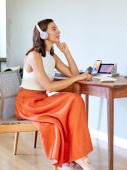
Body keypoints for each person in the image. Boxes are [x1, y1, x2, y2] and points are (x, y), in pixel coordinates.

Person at [15, 19, 95, 170]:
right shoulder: (33, 56)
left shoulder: (52, 57)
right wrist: (78, 77)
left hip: (42, 100)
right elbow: (49, 86)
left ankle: (79, 157)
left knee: (75, 100)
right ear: (44, 33)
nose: (58, 31)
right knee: (73, 100)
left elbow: (73, 73)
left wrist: (66, 52)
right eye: (54, 28)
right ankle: (75, 159)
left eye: (57, 28)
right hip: (28, 103)